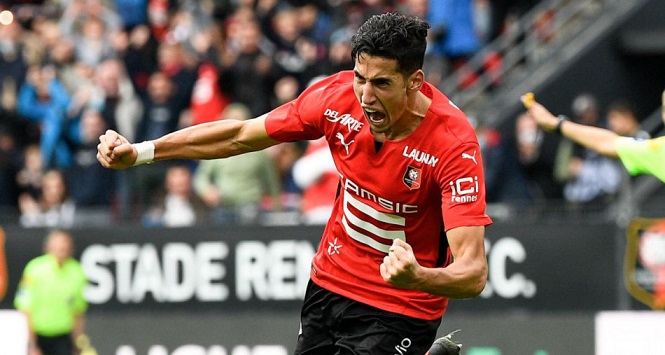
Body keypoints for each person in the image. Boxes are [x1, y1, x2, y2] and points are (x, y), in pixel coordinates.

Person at [98, 13, 491, 354]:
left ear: (415, 82)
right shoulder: (337, 98)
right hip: (331, 283)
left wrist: (419, 276)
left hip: (402, 303)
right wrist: (143, 151)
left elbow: (473, 273)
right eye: (360, 78)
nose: (366, 96)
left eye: (382, 84)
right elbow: (238, 135)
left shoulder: (453, 146)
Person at [522, 91, 665, 183]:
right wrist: (554, 123)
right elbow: (610, 142)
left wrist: (555, 124)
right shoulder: (659, 150)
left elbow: (609, 143)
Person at [14, 229, 88, 355]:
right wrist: (32, 344)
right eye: (58, 246)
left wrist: (76, 342)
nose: (62, 250)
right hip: (39, 335)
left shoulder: (77, 272)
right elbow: (25, 308)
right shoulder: (34, 269)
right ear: (49, 247)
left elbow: (78, 311)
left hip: (63, 336)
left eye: (65, 246)